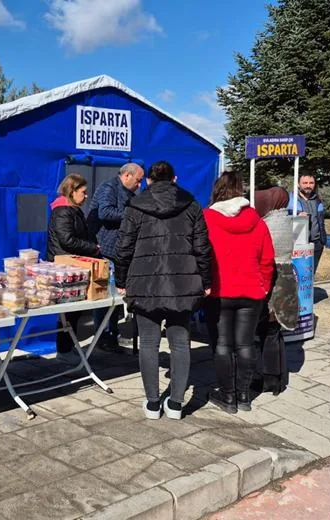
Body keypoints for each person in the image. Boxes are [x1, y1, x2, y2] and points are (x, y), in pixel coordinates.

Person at [113, 161, 212, 420]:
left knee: (148, 342)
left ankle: (153, 403)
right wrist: (206, 280)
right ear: (175, 179)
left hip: (145, 282)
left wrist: (121, 280)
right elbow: (203, 248)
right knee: (180, 343)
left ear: (148, 181)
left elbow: (123, 247)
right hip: (182, 284)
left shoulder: (136, 206)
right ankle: (177, 404)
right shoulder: (191, 205)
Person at [204, 172, 275, 414]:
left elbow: (201, 255)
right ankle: (244, 396)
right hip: (252, 290)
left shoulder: (207, 219)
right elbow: (267, 259)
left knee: (222, 344)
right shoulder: (258, 221)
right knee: (245, 344)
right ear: (241, 191)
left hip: (219, 290)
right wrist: (264, 285)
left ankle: (228, 395)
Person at [88, 163, 144, 350]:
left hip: (119, 249)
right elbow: (105, 212)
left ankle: (112, 334)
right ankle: (103, 336)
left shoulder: (129, 194)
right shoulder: (109, 188)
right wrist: (132, 214)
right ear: (127, 175)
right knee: (106, 297)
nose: (140, 185)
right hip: (106, 249)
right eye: (138, 180)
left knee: (114, 297)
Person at [47, 173, 101, 365]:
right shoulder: (63, 211)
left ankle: (68, 347)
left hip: (72, 266)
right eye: (83, 192)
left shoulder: (72, 210)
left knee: (74, 312)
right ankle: (64, 349)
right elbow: (67, 240)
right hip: (64, 267)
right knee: (68, 312)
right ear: (72, 191)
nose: (86, 196)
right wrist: (93, 248)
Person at [254, 187, 298, 395]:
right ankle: (279, 376)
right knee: (275, 331)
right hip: (285, 277)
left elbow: (264, 254)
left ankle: (268, 377)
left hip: (274, 279)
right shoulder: (286, 220)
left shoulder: (270, 224)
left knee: (268, 330)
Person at [288, 173, 327, 275]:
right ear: (298, 184)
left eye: (311, 183)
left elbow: (321, 222)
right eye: (305, 183)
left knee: (310, 275)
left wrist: (322, 241)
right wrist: (296, 215)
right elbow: (283, 218)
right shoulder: (290, 199)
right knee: (297, 275)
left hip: (316, 244)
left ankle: (309, 291)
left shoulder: (318, 200)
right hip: (297, 244)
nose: (308, 185)